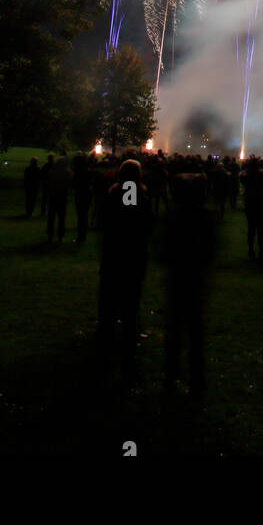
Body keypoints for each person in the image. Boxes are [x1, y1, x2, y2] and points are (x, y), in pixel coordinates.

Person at [98, 159, 154, 385]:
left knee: (111, 294)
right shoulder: (131, 193)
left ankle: (108, 331)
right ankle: (127, 334)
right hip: (129, 253)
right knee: (130, 295)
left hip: (114, 253)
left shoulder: (115, 193)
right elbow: (134, 218)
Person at [161, 172, 215, 399]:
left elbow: (162, 249)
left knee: (174, 331)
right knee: (195, 332)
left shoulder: (172, 217)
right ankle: (196, 379)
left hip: (176, 280)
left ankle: (171, 377)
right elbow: (210, 251)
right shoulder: (206, 218)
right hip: (195, 281)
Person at [242, 159, 263, 260]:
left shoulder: (247, 177)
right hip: (260, 203)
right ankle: (261, 249)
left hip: (250, 204)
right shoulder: (261, 176)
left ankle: (251, 249)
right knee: (260, 229)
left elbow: (242, 178)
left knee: (251, 228)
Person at [47, 153, 71, 243]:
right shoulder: (67, 173)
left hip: (53, 196)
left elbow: (49, 183)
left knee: (51, 217)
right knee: (61, 218)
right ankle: (60, 235)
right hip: (62, 196)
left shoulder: (52, 172)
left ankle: (50, 234)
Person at [72, 152, 92, 243]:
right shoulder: (88, 171)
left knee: (81, 216)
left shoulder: (78, 173)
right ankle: (83, 235)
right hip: (87, 194)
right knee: (84, 215)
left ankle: (81, 236)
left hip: (80, 194)